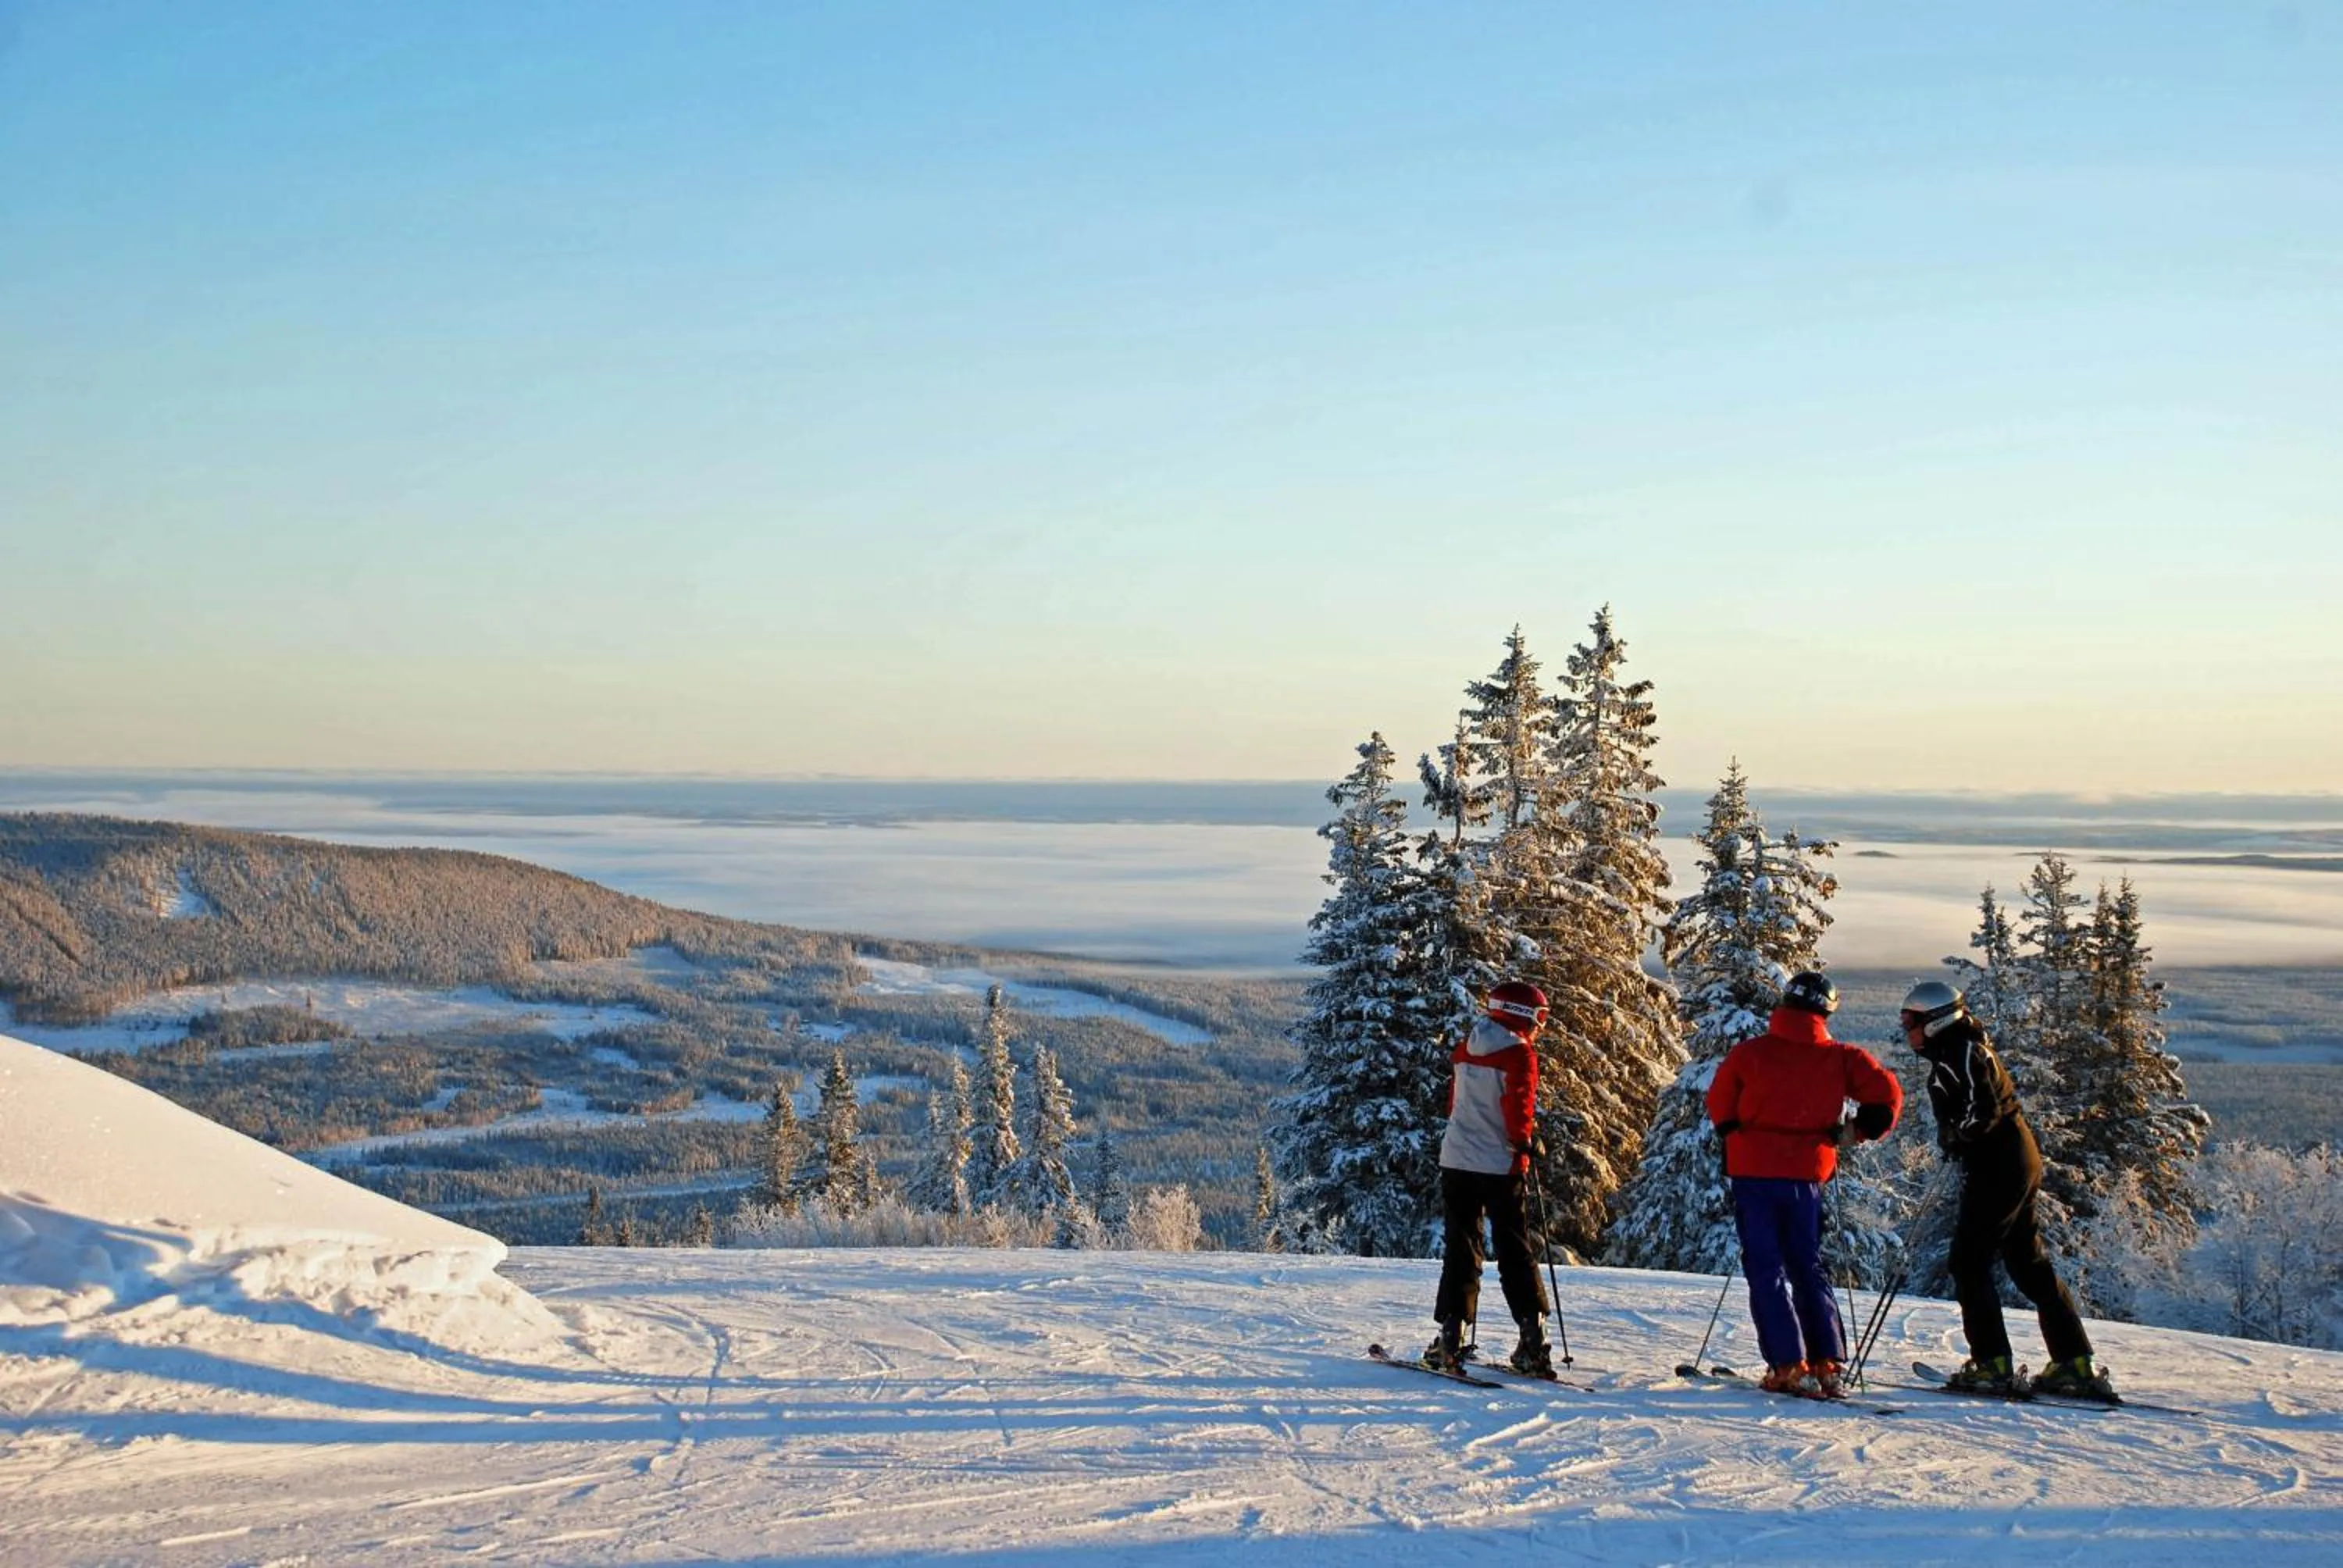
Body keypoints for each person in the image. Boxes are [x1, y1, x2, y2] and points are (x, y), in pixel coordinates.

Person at [1899, 980, 2115, 1400]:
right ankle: (2073, 1362)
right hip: (2016, 1158)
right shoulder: (1962, 1047)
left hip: (1998, 1165)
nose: (1906, 1029)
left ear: (1936, 1020)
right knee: (2026, 1261)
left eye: (1912, 1021)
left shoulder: (1958, 1052)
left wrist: (1957, 1137)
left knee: (1968, 1262)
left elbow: (1983, 1111)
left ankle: (1992, 1364)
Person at [1706, 970, 1903, 1398]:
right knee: (1807, 1264)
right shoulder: (1841, 1057)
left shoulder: (1750, 1053)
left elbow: (1719, 1102)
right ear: (1826, 1011)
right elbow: (1886, 1095)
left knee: (1765, 1266)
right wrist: (1856, 1131)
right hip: (1809, 1173)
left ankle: (1787, 1365)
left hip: (1755, 1172)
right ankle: (1826, 1362)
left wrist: (1734, 1133)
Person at [1425, 979, 1555, 1376]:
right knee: (1515, 1250)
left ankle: (1451, 1337)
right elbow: (1518, 1106)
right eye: (1540, 1017)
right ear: (1520, 1014)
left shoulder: (1466, 1047)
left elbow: (1454, 1103)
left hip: (1458, 1159)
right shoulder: (1520, 1054)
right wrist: (1525, 1143)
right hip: (1500, 1164)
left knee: (1462, 1247)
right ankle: (1533, 1342)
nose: (1540, 1026)